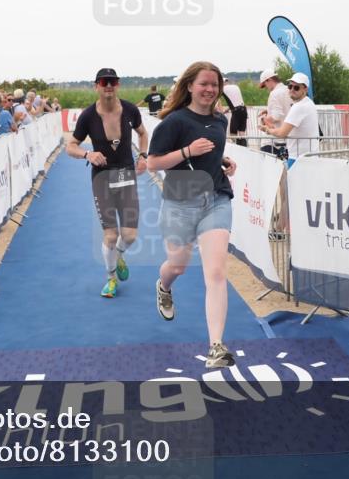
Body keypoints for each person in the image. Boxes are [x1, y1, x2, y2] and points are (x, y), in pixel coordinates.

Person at [146, 62, 237, 368]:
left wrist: (222, 161)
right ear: (189, 86)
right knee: (178, 265)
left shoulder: (220, 120)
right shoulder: (174, 122)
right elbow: (153, 164)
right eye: (204, 84)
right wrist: (187, 152)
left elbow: (209, 150)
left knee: (216, 272)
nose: (210, 90)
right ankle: (164, 287)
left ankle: (216, 347)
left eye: (215, 85)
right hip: (179, 204)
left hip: (216, 199)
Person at [66, 68, 148, 298]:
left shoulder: (130, 110)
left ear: (118, 85)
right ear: (97, 86)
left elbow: (143, 133)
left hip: (125, 175)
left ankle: (118, 255)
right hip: (102, 178)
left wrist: (143, 155)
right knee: (111, 235)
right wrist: (88, 155)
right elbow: (70, 145)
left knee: (130, 236)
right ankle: (111, 278)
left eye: (113, 81)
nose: (109, 85)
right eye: (104, 82)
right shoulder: (88, 116)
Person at [260, 72, 319, 164]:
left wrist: (267, 129)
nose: (292, 90)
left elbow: (281, 133)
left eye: (296, 87)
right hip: (310, 156)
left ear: (305, 89)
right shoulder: (309, 102)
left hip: (298, 158)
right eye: (290, 86)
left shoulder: (298, 107)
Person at [256, 68, 291, 158]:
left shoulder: (274, 93)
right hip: (287, 138)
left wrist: (264, 119)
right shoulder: (288, 90)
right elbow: (284, 109)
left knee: (268, 168)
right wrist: (268, 110)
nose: (265, 88)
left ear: (270, 80)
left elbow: (277, 115)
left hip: (274, 139)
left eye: (265, 84)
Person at [221, 79, 248, 147]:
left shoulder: (223, 89)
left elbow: (216, 98)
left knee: (232, 134)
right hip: (244, 110)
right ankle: (244, 148)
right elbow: (235, 101)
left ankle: (237, 147)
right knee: (242, 133)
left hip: (236, 111)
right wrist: (226, 110)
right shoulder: (235, 86)